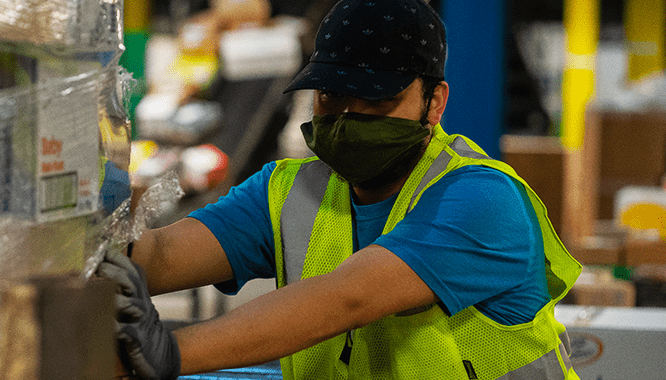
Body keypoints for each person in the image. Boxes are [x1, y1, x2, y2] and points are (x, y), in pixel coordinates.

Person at [96, 0, 584, 379]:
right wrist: (80, 233)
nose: (350, 115)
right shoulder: (286, 193)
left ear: (434, 102)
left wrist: (172, 352)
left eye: (377, 99)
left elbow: (346, 297)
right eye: (331, 95)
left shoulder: (480, 199)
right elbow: (160, 256)